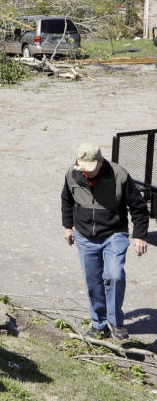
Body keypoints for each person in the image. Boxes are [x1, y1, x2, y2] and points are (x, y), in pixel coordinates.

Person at [61, 142, 149, 340]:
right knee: (93, 281)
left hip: (113, 234)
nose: (87, 173)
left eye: (91, 169)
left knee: (115, 276)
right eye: (83, 168)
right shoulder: (71, 174)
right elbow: (66, 200)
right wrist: (67, 227)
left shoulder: (119, 175)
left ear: (100, 162)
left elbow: (139, 207)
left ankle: (116, 322)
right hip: (85, 236)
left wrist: (139, 235)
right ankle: (99, 324)